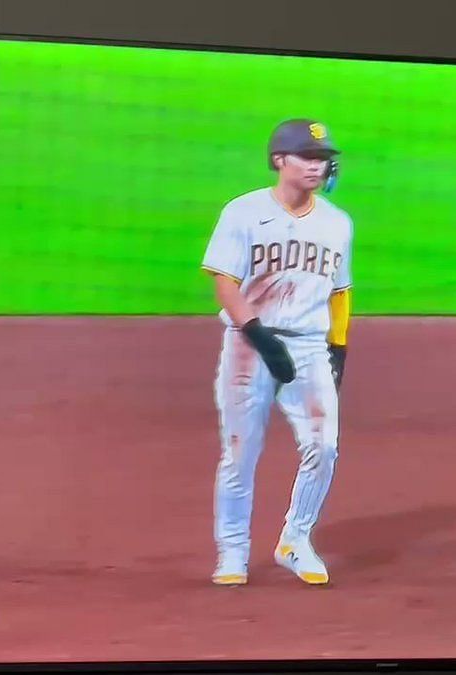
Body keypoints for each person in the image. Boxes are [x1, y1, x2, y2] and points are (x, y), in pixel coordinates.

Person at [200, 119, 353, 586]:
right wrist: (260, 335)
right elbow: (223, 281)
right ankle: (232, 553)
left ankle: (295, 540)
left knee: (324, 447)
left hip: (309, 345)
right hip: (250, 345)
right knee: (240, 451)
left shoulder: (337, 222)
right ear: (278, 160)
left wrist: (339, 347)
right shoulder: (243, 212)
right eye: (306, 156)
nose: (317, 165)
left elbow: (340, 290)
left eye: (322, 157)